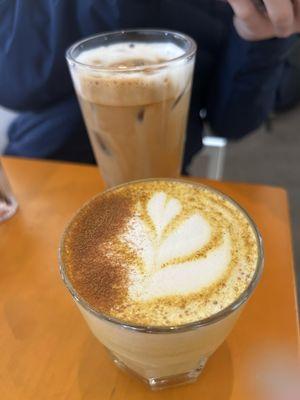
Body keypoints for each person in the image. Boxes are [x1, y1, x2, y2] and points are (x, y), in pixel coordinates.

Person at [0, 0, 298, 171]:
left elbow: (233, 124)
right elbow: (14, 87)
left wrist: (257, 38)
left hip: (165, 176)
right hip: (43, 168)